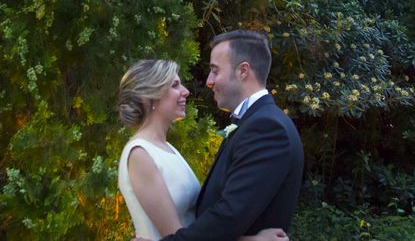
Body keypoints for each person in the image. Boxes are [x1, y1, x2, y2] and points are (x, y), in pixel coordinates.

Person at [118, 58, 288, 241]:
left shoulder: (167, 149)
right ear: (150, 96)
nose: (186, 91)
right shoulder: (140, 155)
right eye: (175, 85)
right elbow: (177, 237)